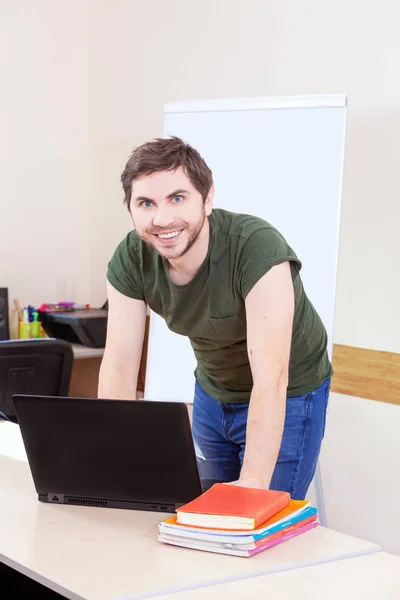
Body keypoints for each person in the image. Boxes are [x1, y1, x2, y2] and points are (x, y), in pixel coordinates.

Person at [98, 136, 332, 500]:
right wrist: (114, 459)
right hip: (212, 390)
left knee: (258, 517)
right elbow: (119, 366)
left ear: (206, 199)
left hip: (289, 392)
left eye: (178, 198)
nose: (162, 219)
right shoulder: (131, 258)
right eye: (146, 203)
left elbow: (272, 378)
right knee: (206, 515)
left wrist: (254, 482)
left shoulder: (257, 248)